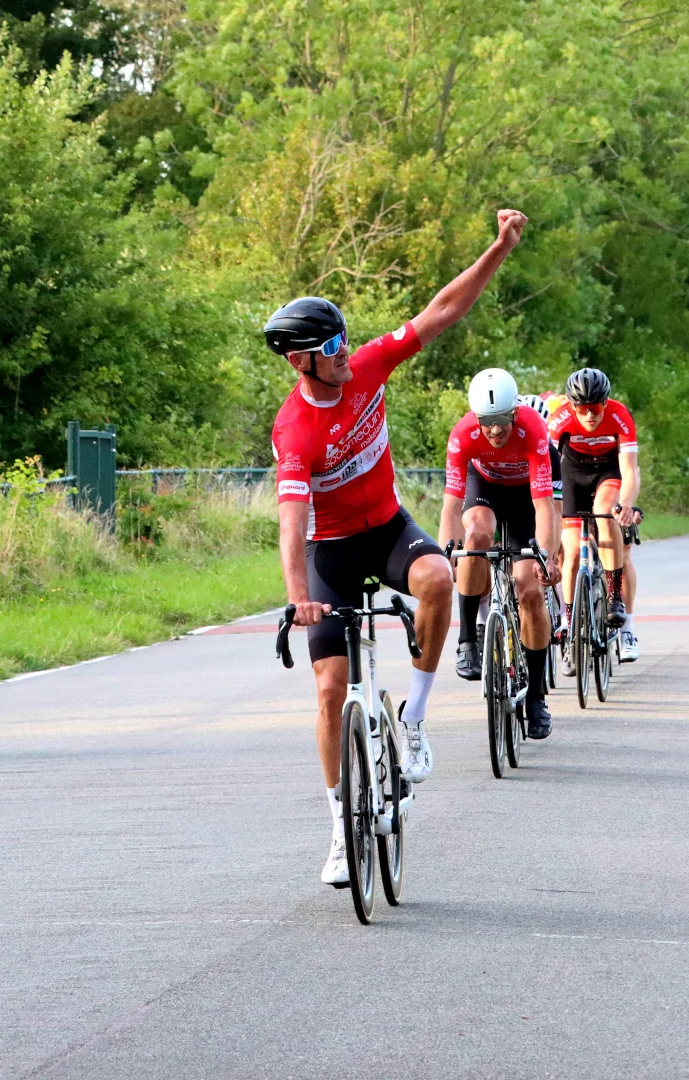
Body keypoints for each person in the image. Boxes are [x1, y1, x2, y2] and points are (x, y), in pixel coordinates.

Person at [268, 208, 527, 888]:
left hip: (384, 528)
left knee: (441, 577)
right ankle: (335, 827)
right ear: (301, 361)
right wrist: (299, 600)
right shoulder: (294, 431)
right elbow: (291, 526)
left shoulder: (368, 367)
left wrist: (497, 248)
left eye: (344, 342)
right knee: (329, 689)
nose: (344, 355)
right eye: (331, 349)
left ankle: (413, 716)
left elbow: (443, 309)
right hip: (329, 551)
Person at [441, 370, 561, 738]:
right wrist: (448, 553)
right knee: (475, 535)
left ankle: (537, 696)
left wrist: (548, 558)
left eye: (502, 421)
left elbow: (545, 508)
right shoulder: (463, 435)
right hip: (486, 488)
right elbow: (451, 507)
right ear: (477, 418)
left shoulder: (534, 430)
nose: (495, 431)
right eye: (487, 422)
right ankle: (467, 640)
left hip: (527, 496)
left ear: (515, 412)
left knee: (528, 587)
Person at [548, 367, 642, 665]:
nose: (590, 415)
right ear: (572, 406)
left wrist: (626, 503)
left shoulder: (619, 415)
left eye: (596, 407)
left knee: (605, 512)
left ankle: (615, 596)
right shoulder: (559, 419)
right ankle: (571, 622)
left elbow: (630, 469)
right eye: (583, 409)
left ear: (606, 402)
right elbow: (546, 470)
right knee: (572, 552)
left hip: (607, 472)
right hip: (572, 475)